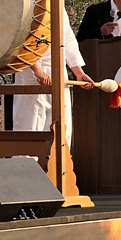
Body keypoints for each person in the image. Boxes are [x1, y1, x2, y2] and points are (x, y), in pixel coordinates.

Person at [12, 8, 95, 146]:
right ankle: (27, 167)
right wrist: (36, 69)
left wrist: (79, 72)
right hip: (32, 72)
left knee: (62, 129)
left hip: (59, 72)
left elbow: (67, 37)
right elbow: (20, 36)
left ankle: (60, 166)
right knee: (30, 126)